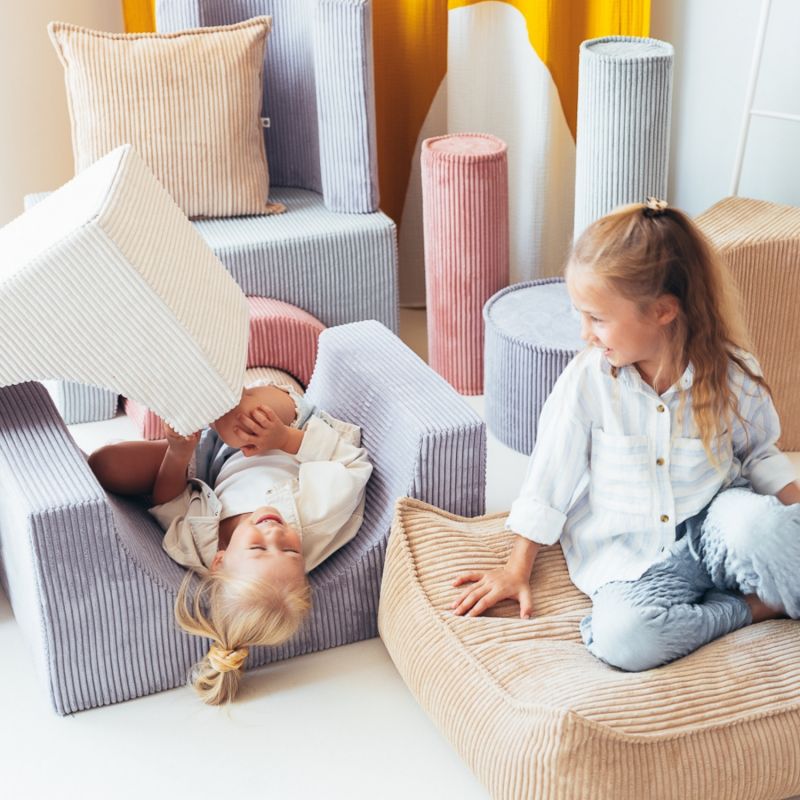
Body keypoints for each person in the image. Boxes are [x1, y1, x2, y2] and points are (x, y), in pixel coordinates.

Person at [452, 198, 800, 671]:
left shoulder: (731, 374)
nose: (585, 333)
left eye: (597, 318)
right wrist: (517, 568)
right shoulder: (588, 381)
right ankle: (753, 608)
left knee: (774, 533)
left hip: (716, 524)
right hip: (633, 557)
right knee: (626, 637)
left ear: (662, 311)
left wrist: (787, 527)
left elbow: (760, 455)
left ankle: (765, 575)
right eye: (581, 316)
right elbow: (550, 475)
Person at [89, 375, 373, 702]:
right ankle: (217, 386)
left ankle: (207, 415)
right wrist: (284, 438)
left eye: (258, 546)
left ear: (220, 560)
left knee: (105, 466)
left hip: (211, 461)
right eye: (290, 550)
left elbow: (169, 502)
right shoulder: (317, 516)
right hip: (289, 426)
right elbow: (350, 461)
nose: (275, 533)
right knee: (234, 422)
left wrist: (179, 452)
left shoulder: (199, 549)